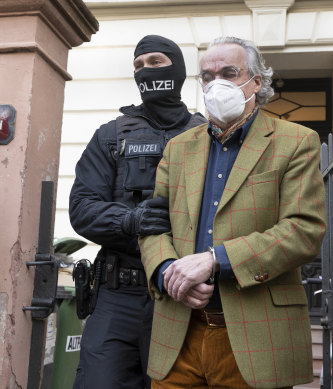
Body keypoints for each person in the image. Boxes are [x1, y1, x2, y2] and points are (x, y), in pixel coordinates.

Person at [138, 36, 326, 389]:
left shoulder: (296, 141)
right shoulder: (178, 149)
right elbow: (153, 223)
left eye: (229, 72)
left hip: (254, 336)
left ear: (256, 81)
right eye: (208, 77)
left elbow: (305, 230)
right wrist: (167, 272)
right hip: (179, 333)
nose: (217, 84)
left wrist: (216, 260)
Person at [69, 35, 207, 389]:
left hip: (185, 295)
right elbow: (82, 208)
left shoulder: (208, 135)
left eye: (156, 62)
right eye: (138, 66)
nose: (145, 71)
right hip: (120, 294)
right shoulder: (111, 136)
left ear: (177, 69)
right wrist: (129, 220)